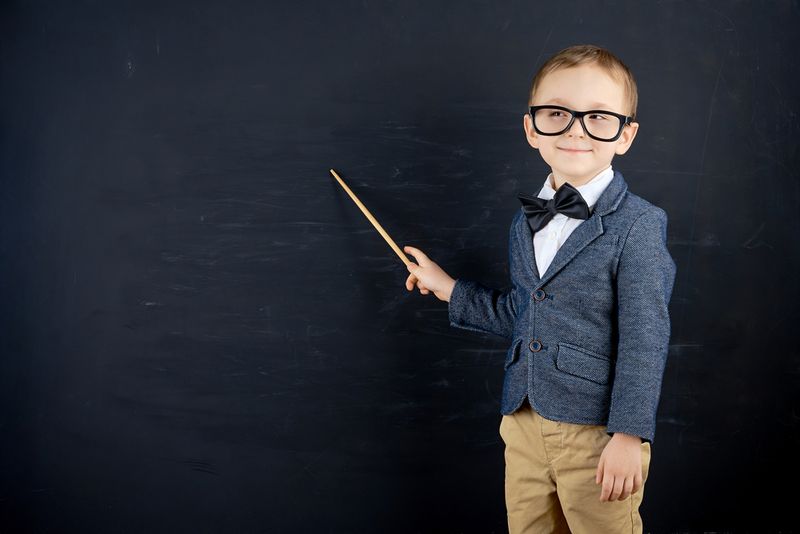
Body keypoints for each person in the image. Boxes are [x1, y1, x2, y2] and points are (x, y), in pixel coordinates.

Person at [402, 44, 677, 533]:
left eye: (598, 117)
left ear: (625, 135)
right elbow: (525, 311)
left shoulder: (639, 225)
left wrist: (629, 435)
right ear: (531, 127)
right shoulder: (523, 222)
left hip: (597, 434)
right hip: (523, 421)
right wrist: (448, 289)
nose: (575, 130)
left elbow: (645, 339)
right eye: (557, 114)